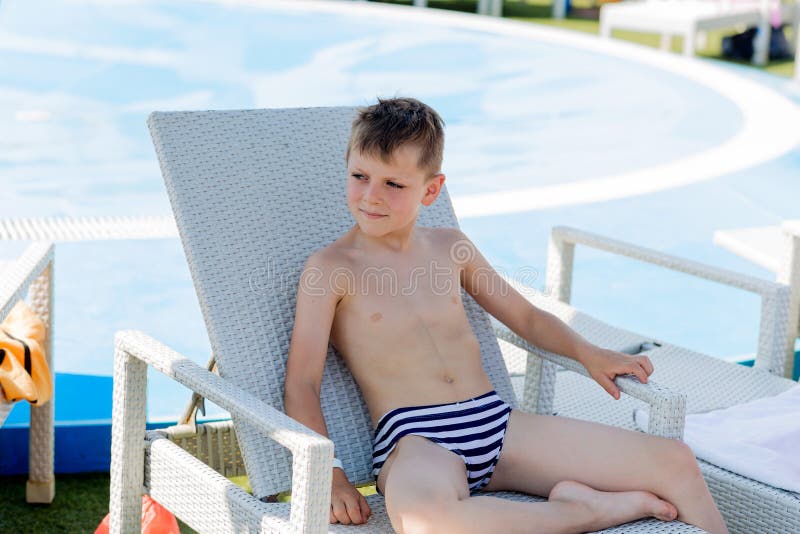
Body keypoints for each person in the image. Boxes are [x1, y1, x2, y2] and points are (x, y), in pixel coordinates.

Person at [283, 97, 729, 533]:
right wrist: (331, 475)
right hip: (417, 441)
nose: (371, 196)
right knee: (427, 522)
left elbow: (527, 318)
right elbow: (303, 381)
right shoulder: (331, 269)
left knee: (675, 461)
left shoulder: (450, 246)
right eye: (360, 176)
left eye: (393, 185)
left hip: (498, 423)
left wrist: (589, 353)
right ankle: (583, 513)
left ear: (431, 189)